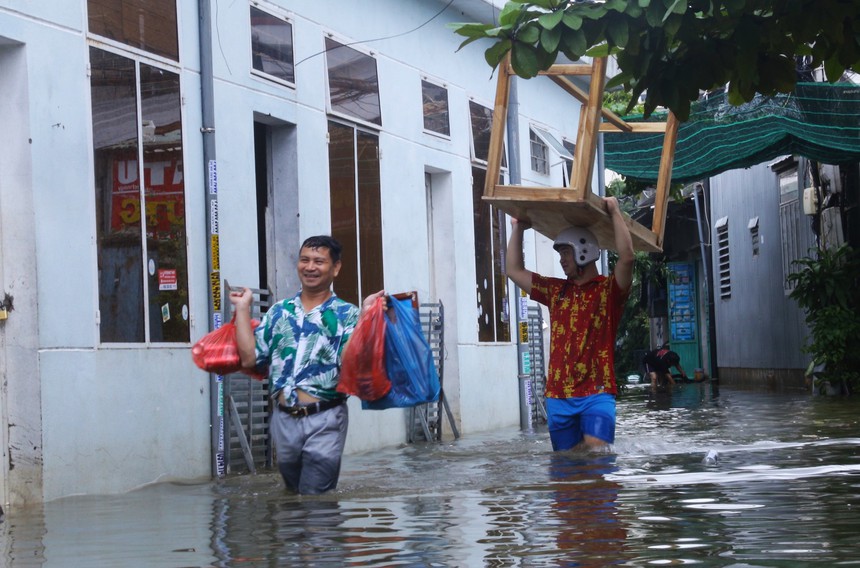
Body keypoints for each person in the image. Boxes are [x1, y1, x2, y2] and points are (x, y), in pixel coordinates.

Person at [229, 235, 384, 494]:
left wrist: (366, 318)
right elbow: (249, 358)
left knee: (314, 498)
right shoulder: (280, 311)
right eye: (305, 260)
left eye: (319, 261)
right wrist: (243, 309)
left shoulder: (347, 314)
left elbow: (350, 363)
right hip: (283, 419)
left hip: (325, 418)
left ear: (335, 268)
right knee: (293, 495)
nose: (310, 267)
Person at [506, 197, 634, 452]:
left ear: (584, 251)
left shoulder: (608, 291)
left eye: (566, 252)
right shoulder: (556, 290)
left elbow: (627, 259)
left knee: (595, 451)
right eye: (561, 253)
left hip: (597, 392)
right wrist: (518, 228)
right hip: (558, 396)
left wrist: (615, 211)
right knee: (566, 472)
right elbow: (513, 270)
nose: (562, 260)